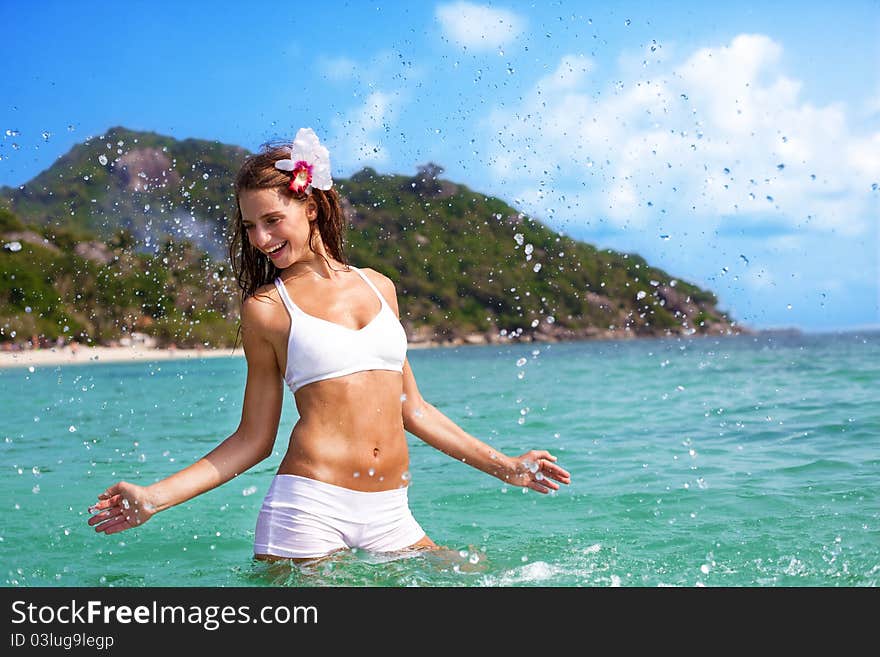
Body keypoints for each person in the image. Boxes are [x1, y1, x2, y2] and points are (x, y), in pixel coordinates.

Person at [87, 128, 571, 563]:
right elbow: (254, 440)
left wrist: (505, 467)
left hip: (390, 512)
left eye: (272, 220)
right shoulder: (267, 308)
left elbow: (414, 410)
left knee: (475, 575)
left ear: (311, 207)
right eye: (250, 226)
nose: (260, 238)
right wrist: (155, 497)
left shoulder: (380, 287)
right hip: (308, 509)